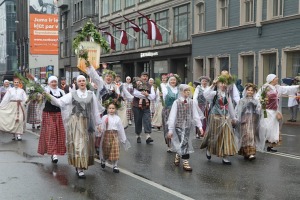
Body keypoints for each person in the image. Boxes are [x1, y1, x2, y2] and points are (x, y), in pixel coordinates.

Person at [48, 75, 102, 178]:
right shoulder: (72, 94)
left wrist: (99, 123)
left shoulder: (91, 94)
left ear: (86, 82)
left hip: (87, 122)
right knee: (79, 144)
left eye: (83, 81)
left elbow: (95, 110)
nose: (82, 82)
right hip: (76, 122)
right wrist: (48, 95)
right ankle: (79, 168)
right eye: (80, 81)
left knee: (86, 145)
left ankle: (82, 165)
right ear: (77, 83)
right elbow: (60, 102)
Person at [256, 74, 300, 152]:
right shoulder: (265, 88)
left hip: (274, 112)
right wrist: (261, 107)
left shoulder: (278, 88)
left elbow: (288, 89)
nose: (277, 78)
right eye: (276, 77)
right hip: (266, 111)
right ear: (271, 79)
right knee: (265, 128)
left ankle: (270, 146)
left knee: (274, 129)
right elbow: (258, 98)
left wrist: (298, 87)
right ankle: (262, 143)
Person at [200, 75, 238, 165]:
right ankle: (209, 149)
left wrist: (234, 118)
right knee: (214, 136)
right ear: (218, 84)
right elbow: (205, 94)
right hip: (215, 117)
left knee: (226, 137)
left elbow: (230, 107)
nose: (223, 85)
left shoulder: (228, 94)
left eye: (225, 83)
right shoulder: (214, 93)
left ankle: (225, 157)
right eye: (221, 83)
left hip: (225, 118)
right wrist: (213, 85)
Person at [167, 84, 203, 171]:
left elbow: (195, 115)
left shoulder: (192, 102)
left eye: (188, 91)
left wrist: (200, 127)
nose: (187, 92)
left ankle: (178, 155)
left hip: (187, 126)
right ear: (181, 92)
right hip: (178, 126)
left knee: (184, 142)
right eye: (185, 91)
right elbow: (172, 116)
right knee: (184, 142)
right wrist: (170, 129)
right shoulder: (176, 102)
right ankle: (185, 161)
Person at [37, 76, 66, 164]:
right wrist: (41, 97)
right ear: (49, 83)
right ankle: (54, 154)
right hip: (48, 114)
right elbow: (40, 101)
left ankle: (56, 151)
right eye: (52, 82)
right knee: (51, 133)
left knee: (59, 134)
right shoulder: (46, 91)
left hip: (58, 114)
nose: (54, 83)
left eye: (55, 82)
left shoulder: (61, 91)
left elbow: (64, 102)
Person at [99, 101, 130, 173]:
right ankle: (103, 160)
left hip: (115, 136)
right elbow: (102, 127)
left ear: (116, 109)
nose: (111, 110)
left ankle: (115, 165)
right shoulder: (105, 117)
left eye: (113, 108)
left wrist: (123, 139)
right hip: (107, 135)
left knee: (115, 149)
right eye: (109, 108)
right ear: (107, 109)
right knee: (106, 150)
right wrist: (100, 130)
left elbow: (120, 129)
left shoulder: (117, 118)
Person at [235, 83, 261, 160]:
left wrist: (259, 106)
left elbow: (258, 111)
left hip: (253, 119)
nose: (250, 92)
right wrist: (238, 119)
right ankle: (246, 152)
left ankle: (251, 153)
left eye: (252, 90)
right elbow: (238, 111)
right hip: (245, 119)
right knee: (246, 136)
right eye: (248, 90)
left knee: (252, 135)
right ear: (246, 91)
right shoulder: (242, 100)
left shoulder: (256, 100)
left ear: (254, 92)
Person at [132, 72, 156, 144]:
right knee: (138, 120)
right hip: (137, 106)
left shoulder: (150, 86)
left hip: (146, 106)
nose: (145, 78)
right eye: (143, 76)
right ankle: (138, 135)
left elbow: (153, 97)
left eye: (146, 76)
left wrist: (147, 95)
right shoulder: (136, 83)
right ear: (140, 77)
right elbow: (135, 94)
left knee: (147, 120)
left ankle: (148, 136)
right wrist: (146, 95)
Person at [162, 74, 180, 152]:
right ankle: (169, 145)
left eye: (174, 80)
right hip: (168, 110)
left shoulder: (179, 89)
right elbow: (163, 98)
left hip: (177, 111)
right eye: (171, 80)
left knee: (177, 127)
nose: (173, 81)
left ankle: (176, 143)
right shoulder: (165, 89)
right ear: (169, 81)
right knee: (168, 127)